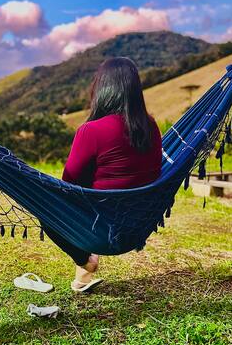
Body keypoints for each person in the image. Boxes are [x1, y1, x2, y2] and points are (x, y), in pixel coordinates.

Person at [44, 57, 162, 292]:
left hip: (102, 227)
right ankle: (83, 277)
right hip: (138, 222)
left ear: (102, 89)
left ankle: (86, 260)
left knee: (46, 206)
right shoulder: (151, 127)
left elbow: (69, 185)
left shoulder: (91, 131)